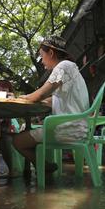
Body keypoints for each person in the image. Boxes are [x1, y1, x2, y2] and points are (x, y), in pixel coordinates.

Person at [13, 36, 90, 173]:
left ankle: (44, 166)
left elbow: (41, 94)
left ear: (51, 53)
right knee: (28, 134)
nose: (42, 62)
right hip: (79, 129)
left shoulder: (63, 66)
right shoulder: (71, 68)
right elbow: (53, 99)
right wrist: (38, 99)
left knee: (18, 141)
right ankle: (44, 166)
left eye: (42, 56)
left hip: (68, 130)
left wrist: (20, 98)